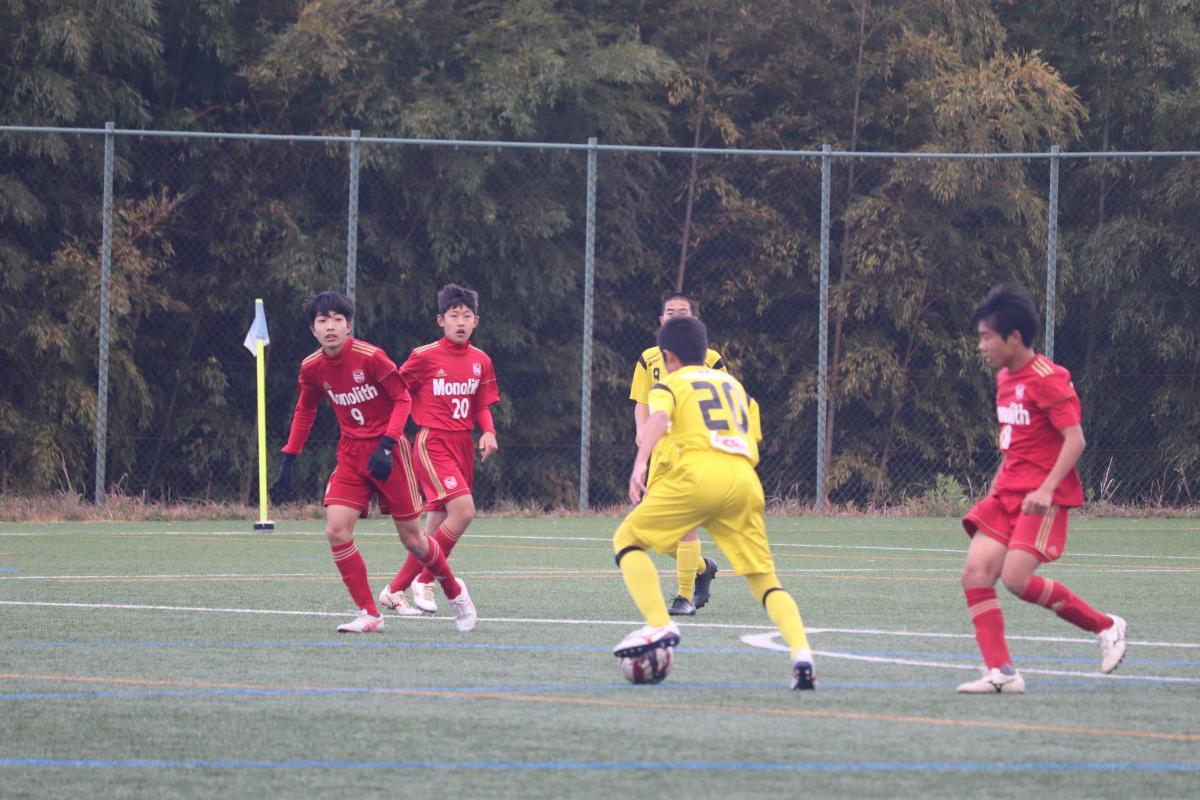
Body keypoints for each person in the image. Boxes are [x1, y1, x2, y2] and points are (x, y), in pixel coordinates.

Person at [612, 316, 816, 690]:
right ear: (705, 351)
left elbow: (658, 417)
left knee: (626, 541)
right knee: (766, 582)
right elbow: (751, 434)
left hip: (696, 474)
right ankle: (802, 655)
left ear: (668, 356)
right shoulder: (736, 388)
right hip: (744, 481)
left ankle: (660, 624)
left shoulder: (671, 382)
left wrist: (640, 462)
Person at [269, 291, 477, 633]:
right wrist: (288, 459)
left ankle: (455, 592)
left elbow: (402, 398)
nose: (331, 326)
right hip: (351, 454)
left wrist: (388, 443)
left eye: (338, 320)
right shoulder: (312, 367)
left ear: (349, 325)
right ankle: (369, 614)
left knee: (414, 540)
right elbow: (305, 410)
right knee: (336, 530)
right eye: (323, 320)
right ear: (312, 329)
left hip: (389, 452)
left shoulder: (371, 357)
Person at [957, 284, 1125, 693]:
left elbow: (1075, 440)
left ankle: (1106, 626)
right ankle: (1002, 672)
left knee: (1015, 578)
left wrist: (1047, 489)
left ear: (1014, 337)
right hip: (1006, 494)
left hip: (1041, 499)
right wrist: (999, 485)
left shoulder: (1049, 378)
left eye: (987, 337)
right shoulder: (1003, 378)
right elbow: (1018, 443)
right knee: (976, 574)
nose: (981, 346)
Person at [378, 284, 501, 616]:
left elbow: (481, 404)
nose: (460, 322)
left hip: (462, 445)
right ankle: (425, 579)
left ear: (476, 321)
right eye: (454, 315)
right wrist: (384, 434)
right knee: (464, 511)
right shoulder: (424, 356)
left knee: (432, 532)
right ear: (440, 320)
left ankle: (395, 589)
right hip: (432, 442)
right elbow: (396, 392)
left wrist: (489, 432)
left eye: (467, 316)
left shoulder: (481, 361)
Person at [628, 293, 722, 616]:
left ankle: (684, 597)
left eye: (683, 312)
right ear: (661, 320)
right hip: (662, 450)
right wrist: (642, 431)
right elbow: (642, 402)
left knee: (685, 521)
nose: (677, 316)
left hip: (695, 449)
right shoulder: (649, 359)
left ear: (695, 320)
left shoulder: (712, 360)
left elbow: (723, 402)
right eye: (671, 312)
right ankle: (702, 568)